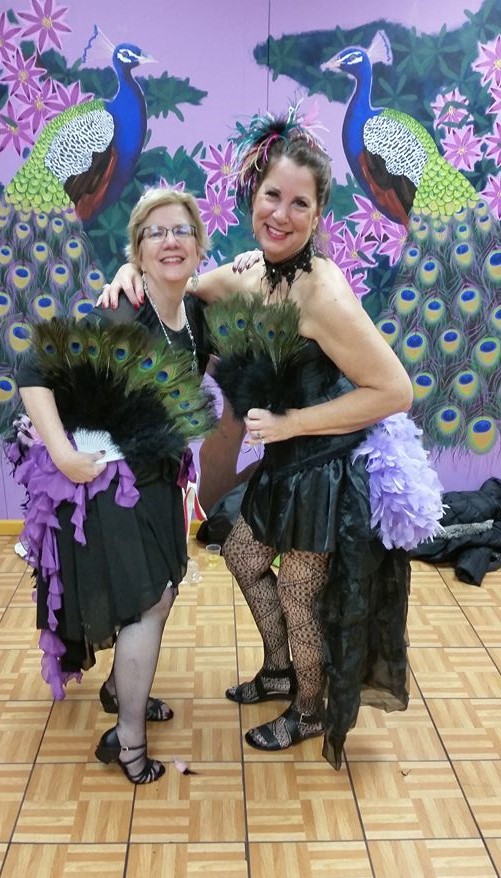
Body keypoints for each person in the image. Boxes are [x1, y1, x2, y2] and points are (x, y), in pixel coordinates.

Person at [101, 108, 442, 768]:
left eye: (300, 204)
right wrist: (130, 273)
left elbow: (394, 391)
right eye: (272, 196)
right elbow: (176, 281)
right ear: (251, 197)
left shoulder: (323, 294)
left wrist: (289, 425)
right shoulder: (244, 275)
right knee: (241, 554)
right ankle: (282, 669)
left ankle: (310, 710)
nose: (281, 214)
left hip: (329, 465)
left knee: (297, 592)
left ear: (318, 215)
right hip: (288, 464)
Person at [12, 187, 213, 784]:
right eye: (155, 233)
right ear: (138, 250)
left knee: (158, 593)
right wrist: (64, 454)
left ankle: (124, 688)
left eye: (181, 230)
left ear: (199, 244)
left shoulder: (195, 312)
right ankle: (127, 742)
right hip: (112, 483)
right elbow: (33, 370)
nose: (170, 241)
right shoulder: (122, 314)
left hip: (159, 478)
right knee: (149, 603)